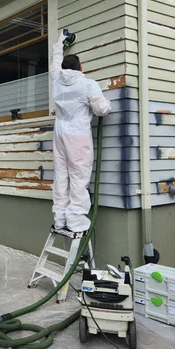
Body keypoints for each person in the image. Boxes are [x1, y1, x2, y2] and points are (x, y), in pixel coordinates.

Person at [50, 30, 111, 233]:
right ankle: (75, 218)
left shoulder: (56, 79)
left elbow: (55, 61)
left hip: (59, 132)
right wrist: (107, 103)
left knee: (61, 173)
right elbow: (101, 109)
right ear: (80, 68)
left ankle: (60, 217)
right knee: (78, 173)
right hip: (77, 134)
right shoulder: (87, 84)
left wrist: (60, 42)